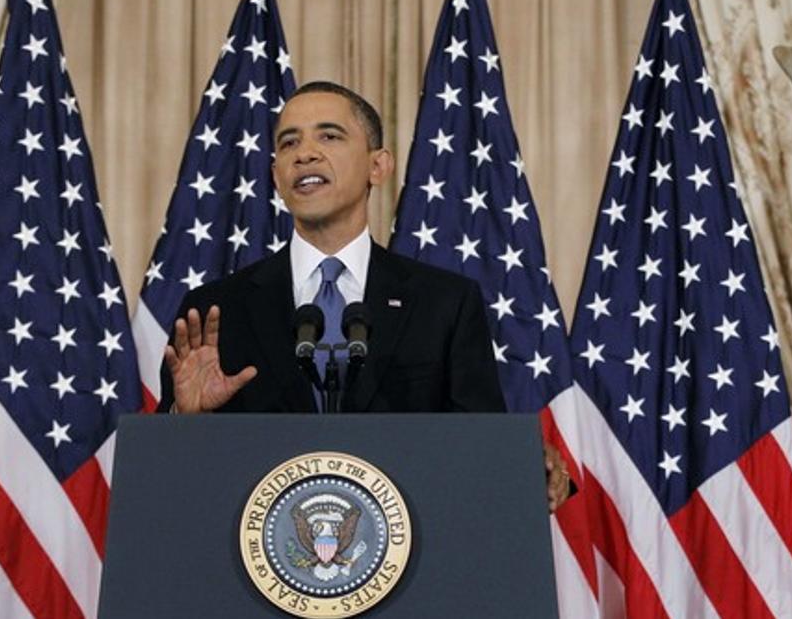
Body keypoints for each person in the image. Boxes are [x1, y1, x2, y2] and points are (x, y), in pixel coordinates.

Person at [160, 81, 571, 510]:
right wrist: (185, 423)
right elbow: (169, 482)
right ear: (275, 176)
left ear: (378, 166)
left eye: (329, 136)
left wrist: (524, 467)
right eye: (288, 143)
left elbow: (477, 447)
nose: (305, 154)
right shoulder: (214, 310)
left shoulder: (444, 303)